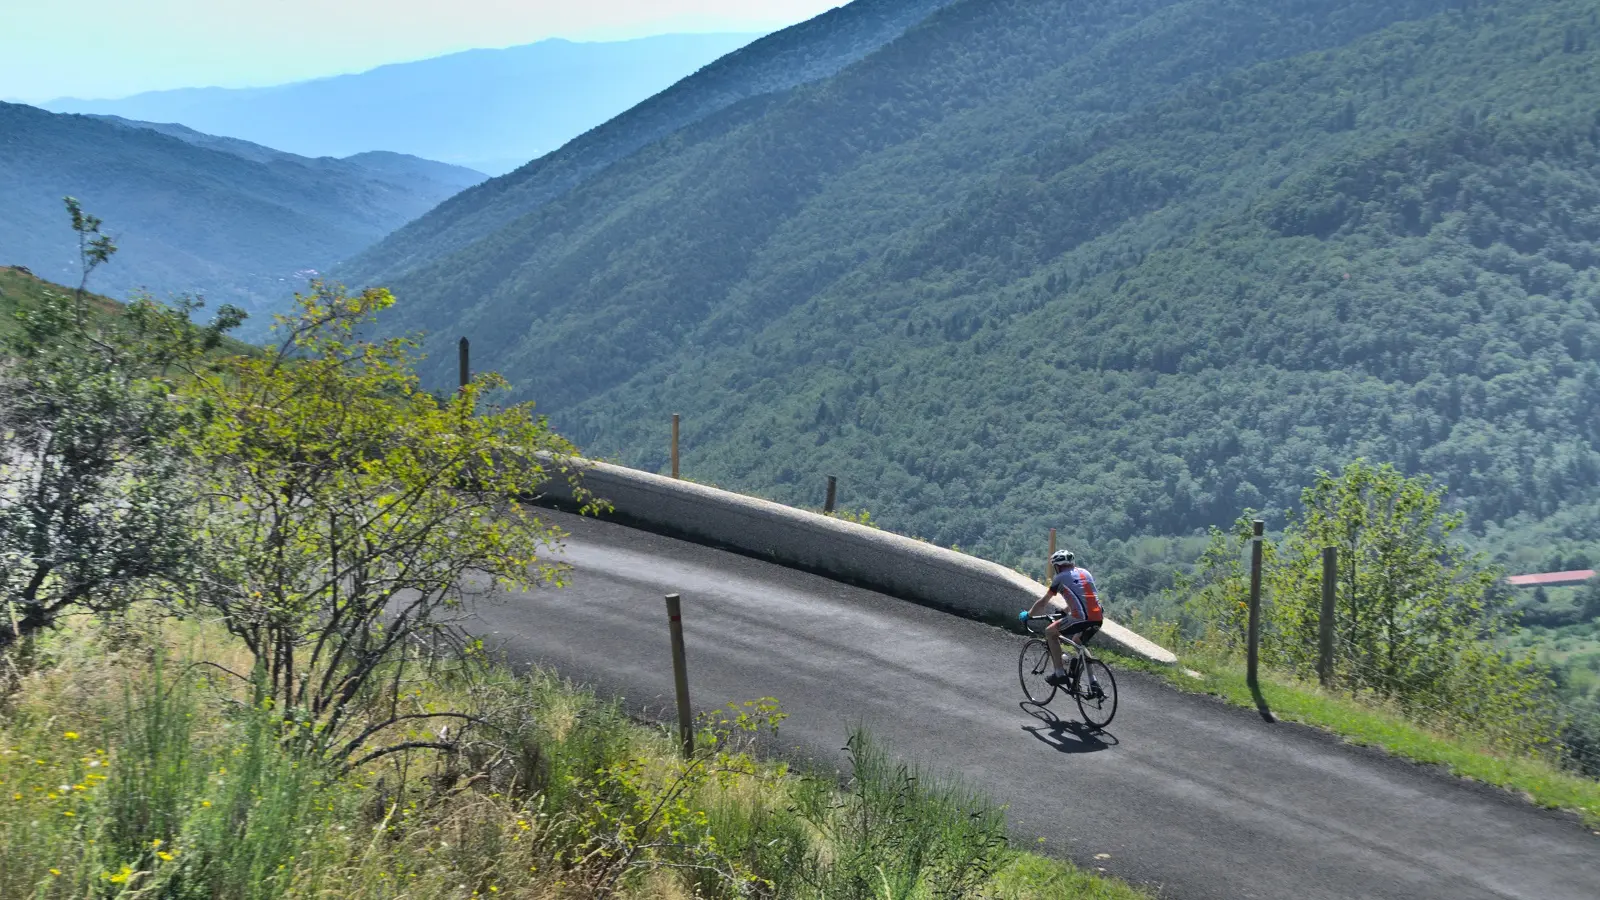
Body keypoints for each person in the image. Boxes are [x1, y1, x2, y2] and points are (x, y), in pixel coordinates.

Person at [1020, 549, 1104, 687]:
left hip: (1081, 618)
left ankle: (1059, 673)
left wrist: (1028, 615)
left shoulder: (1060, 578)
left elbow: (1043, 602)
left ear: (1058, 566)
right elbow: (1084, 598)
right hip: (1098, 617)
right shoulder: (1086, 573)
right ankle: (1093, 682)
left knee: (1050, 632)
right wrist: (1065, 611)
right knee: (1078, 642)